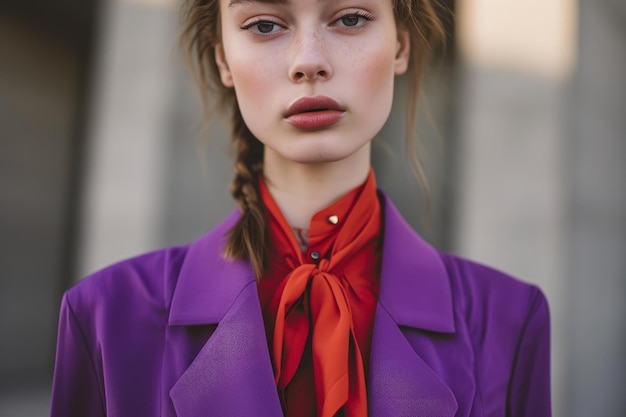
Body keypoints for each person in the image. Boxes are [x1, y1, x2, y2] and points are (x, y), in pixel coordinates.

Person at [50, 0, 551, 415]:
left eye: (350, 18)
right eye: (264, 25)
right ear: (224, 58)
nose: (308, 61)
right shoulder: (104, 319)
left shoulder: (509, 321)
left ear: (400, 43)